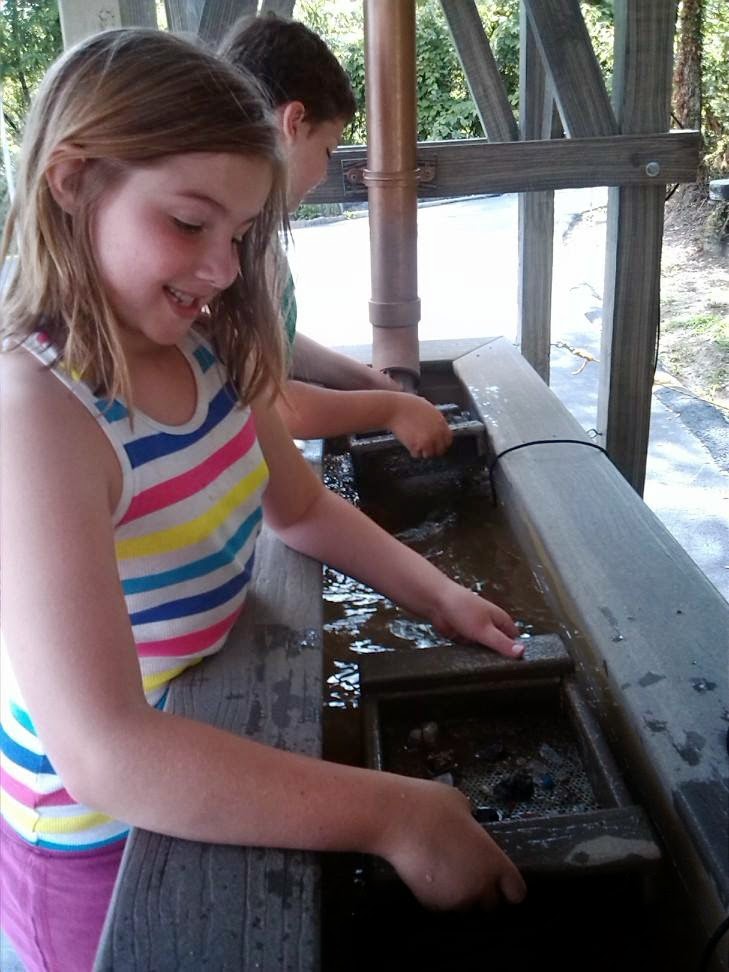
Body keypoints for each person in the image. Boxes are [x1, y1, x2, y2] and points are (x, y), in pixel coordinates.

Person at [0, 27, 525, 972]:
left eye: (240, 235)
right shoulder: (38, 414)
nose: (223, 269)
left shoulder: (200, 348)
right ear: (73, 181)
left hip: (196, 738)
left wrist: (436, 594)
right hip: (92, 843)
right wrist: (393, 813)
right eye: (190, 224)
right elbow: (107, 752)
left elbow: (298, 508)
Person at [218, 13, 454, 459]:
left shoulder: (253, 227)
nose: (326, 169)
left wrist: (367, 380)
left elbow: (274, 342)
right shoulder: (230, 243)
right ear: (294, 122)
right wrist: (389, 409)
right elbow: (273, 403)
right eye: (327, 148)